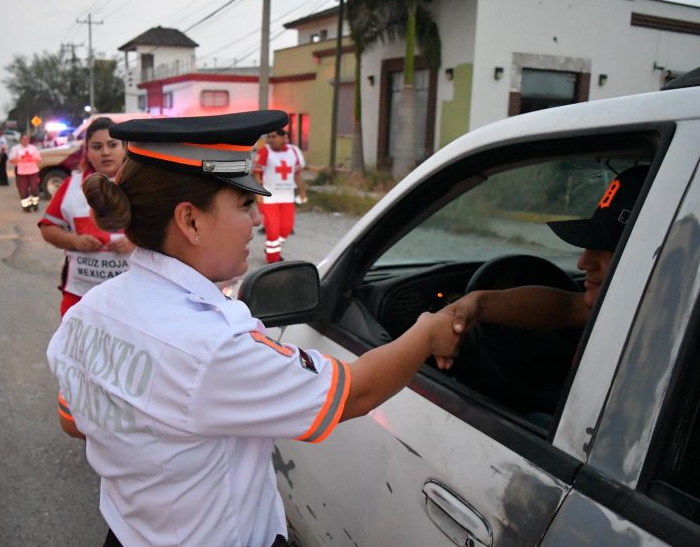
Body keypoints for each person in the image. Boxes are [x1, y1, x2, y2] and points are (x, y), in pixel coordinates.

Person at [45, 110, 461, 547]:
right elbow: (355, 394)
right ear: (190, 221)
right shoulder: (212, 347)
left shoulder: (88, 312)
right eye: (245, 204)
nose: (259, 221)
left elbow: (74, 421)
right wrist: (428, 333)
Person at [438, 164, 648, 360]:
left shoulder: (659, 338)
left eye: (609, 249)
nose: (583, 263)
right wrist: (478, 303)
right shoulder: (627, 307)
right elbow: (566, 308)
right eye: (589, 246)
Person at [38, 117, 135, 439]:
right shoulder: (71, 187)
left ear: (124, 148)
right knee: (80, 364)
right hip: (79, 297)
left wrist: (135, 241)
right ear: (87, 152)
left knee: (127, 366)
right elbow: (48, 228)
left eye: (112, 144)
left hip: (133, 301)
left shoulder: (140, 185)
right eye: (97, 146)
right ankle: (83, 424)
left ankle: (125, 424)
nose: (105, 152)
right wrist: (75, 241)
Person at [253, 128, 307, 263]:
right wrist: (258, 193)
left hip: (287, 198)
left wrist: (302, 191)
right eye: (268, 137)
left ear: (284, 138)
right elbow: (257, 173)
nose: (270, 140)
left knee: (286, 229)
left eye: (274, 137)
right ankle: (273, 259)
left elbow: (297, 175)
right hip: (268, 198)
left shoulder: (293, 152)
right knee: (273, 230)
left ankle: (273, 247)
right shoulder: (265, 151)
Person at [8, 133, 42, 212]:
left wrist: (30, 159)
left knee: (34, 189)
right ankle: (26, 206)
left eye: (27, 139)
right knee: (23, 190)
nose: (25, 141)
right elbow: (11, 160)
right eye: (23, 139)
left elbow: (38, 158)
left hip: (33, 171)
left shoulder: (33, 148)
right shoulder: (15, 148)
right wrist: (21, 160)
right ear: (20, 140)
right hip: (21, 172)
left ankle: (35, 204)